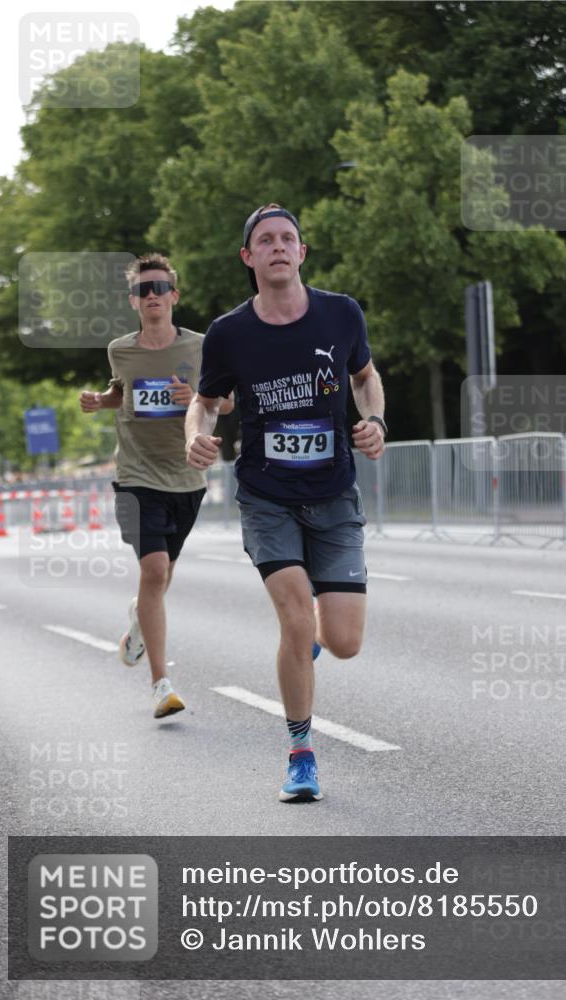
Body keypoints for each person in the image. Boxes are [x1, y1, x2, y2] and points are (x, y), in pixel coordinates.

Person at [185, 204, 386, 801]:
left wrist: (374, 418)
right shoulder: (229, 333)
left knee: (344, 642)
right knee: (296, 621)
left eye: (287, 238)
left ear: (302, 253)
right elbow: (206, 401)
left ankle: (313, 642)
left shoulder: (341, 314)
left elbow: (365, 377)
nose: (278, 246)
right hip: (267, 496)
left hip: (332, 495)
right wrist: (195, 433)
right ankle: (301, 754)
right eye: (265, 240)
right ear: (249, 257)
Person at [80, 252, 233, 719]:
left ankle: (138, 622)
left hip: (187, 476)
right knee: (154, 569)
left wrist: (196, 400)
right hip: (134, 475)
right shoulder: (119, 350)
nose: (153, 296)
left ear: (174, 296)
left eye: (160, 288)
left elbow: (225, 404)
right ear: (133, 300)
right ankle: (160, 683)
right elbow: (120, 393)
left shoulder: (202, 346)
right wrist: (99, 401)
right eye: (144, 290)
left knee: (161, 576)